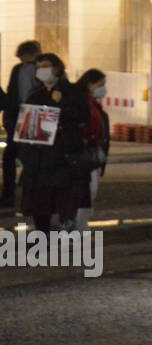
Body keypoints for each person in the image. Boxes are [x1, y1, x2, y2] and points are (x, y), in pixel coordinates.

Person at [17, 53, 91, 234]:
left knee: (66, 202)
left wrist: (59, 104)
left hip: (64, 158)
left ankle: (68, 236)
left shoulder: (73, 92)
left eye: (46, 65)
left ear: (57, 68)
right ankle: (42, 237)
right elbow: (29, 128)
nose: (42, 69)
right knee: (40, 204)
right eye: (39, 66)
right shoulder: (35, 95)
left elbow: (81, 117)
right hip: (40, 159)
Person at [2, 40, 41, 209]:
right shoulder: (18, 69)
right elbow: (12, 94)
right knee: (12, 157)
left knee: (29, 159)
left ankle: (27, 193)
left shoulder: (39, 70)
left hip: (32, 118)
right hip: (19, 117)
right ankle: (12, 193)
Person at [72, 69, 111, 231]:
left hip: (94, 155)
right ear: (89, 85)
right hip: (85, 156)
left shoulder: (95, 106)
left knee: (90, 193)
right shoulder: (82, 104)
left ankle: (81, 226)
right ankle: (78, 227)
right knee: (85, 193)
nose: (103, 88)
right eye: (100, 85)